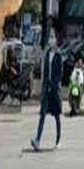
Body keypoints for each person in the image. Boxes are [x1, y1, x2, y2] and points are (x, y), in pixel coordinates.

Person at [31, 21, 64, 151]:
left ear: (57, 39)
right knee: (42, 115)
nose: (51, 39)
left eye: (53, 37)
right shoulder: (47, 54)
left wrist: (53, 85)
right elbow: (45, 74)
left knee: (56, 116)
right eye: (50, 36)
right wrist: (43, 88)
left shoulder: (59, 55)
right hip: (46, 90)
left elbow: (59, 74)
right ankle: (37, 140)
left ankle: (58, 140)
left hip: (54, 91)